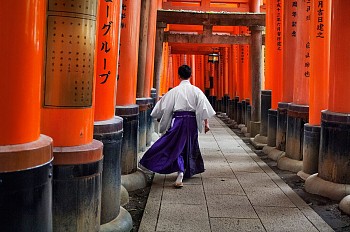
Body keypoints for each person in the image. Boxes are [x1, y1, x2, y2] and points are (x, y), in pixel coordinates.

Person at [139, 65, 216, 188]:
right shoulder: (196, 91)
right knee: (188, 145)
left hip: (178, 121)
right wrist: (206, 123)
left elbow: (162, 106)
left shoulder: (174, 91)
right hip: (191, 122)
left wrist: (158, 116)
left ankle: (175, 169)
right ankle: (183, 170)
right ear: (191, 76)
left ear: (178, 76)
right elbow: (203, 108)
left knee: (173, 144)